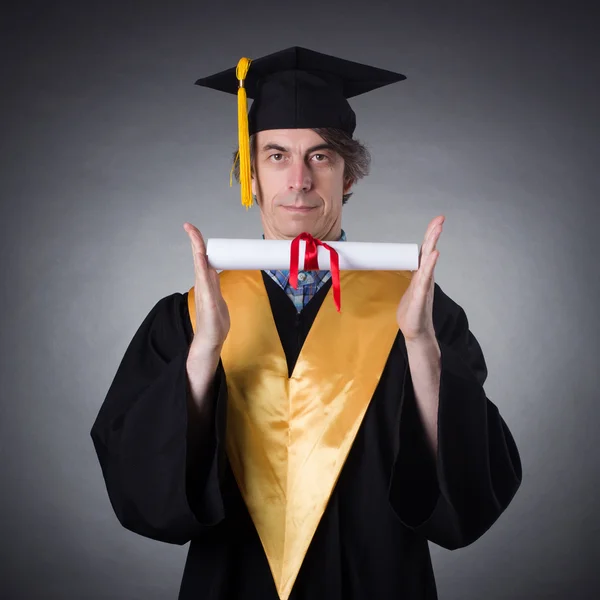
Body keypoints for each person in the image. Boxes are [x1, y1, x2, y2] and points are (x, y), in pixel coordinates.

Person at [90, 46, 522, 600]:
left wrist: (420, 348)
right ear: (250, 174)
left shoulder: (419, 312)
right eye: (275, 156)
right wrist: (203, 355)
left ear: (348, 176)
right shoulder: (191, 315)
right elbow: (140, 483)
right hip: (234, 579)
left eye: (320, 157)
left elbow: (470, 488)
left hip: (375, 577)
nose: (298, 180)